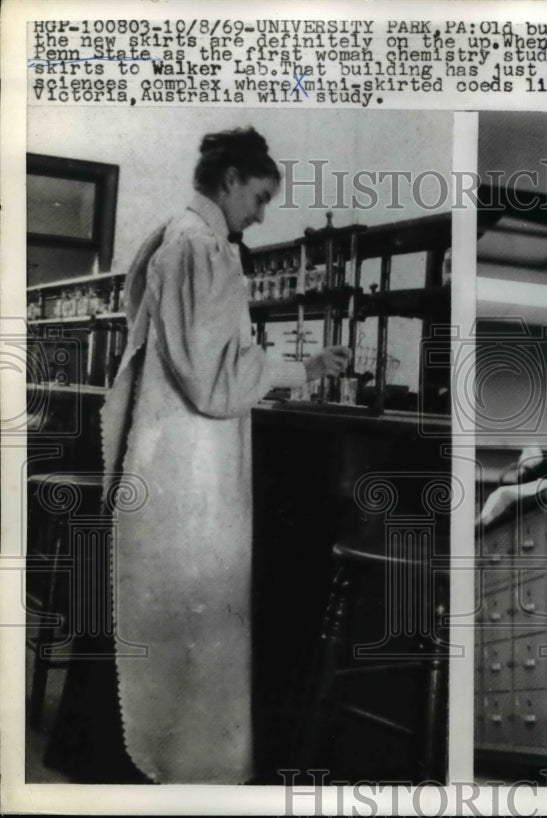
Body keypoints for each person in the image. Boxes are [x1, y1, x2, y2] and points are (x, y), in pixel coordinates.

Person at [99, 127, 350, 783]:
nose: (261, 213)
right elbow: (215, 380)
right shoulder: (199, 244)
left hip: (177, 448)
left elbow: (210, 363)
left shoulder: (181, 236)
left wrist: (298, 365)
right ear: (231, 180)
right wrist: (303, 367)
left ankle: (175, 767)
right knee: (190, 611)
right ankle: (187, 774)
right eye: (260, 197)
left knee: (180, 613)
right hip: (189, 457)